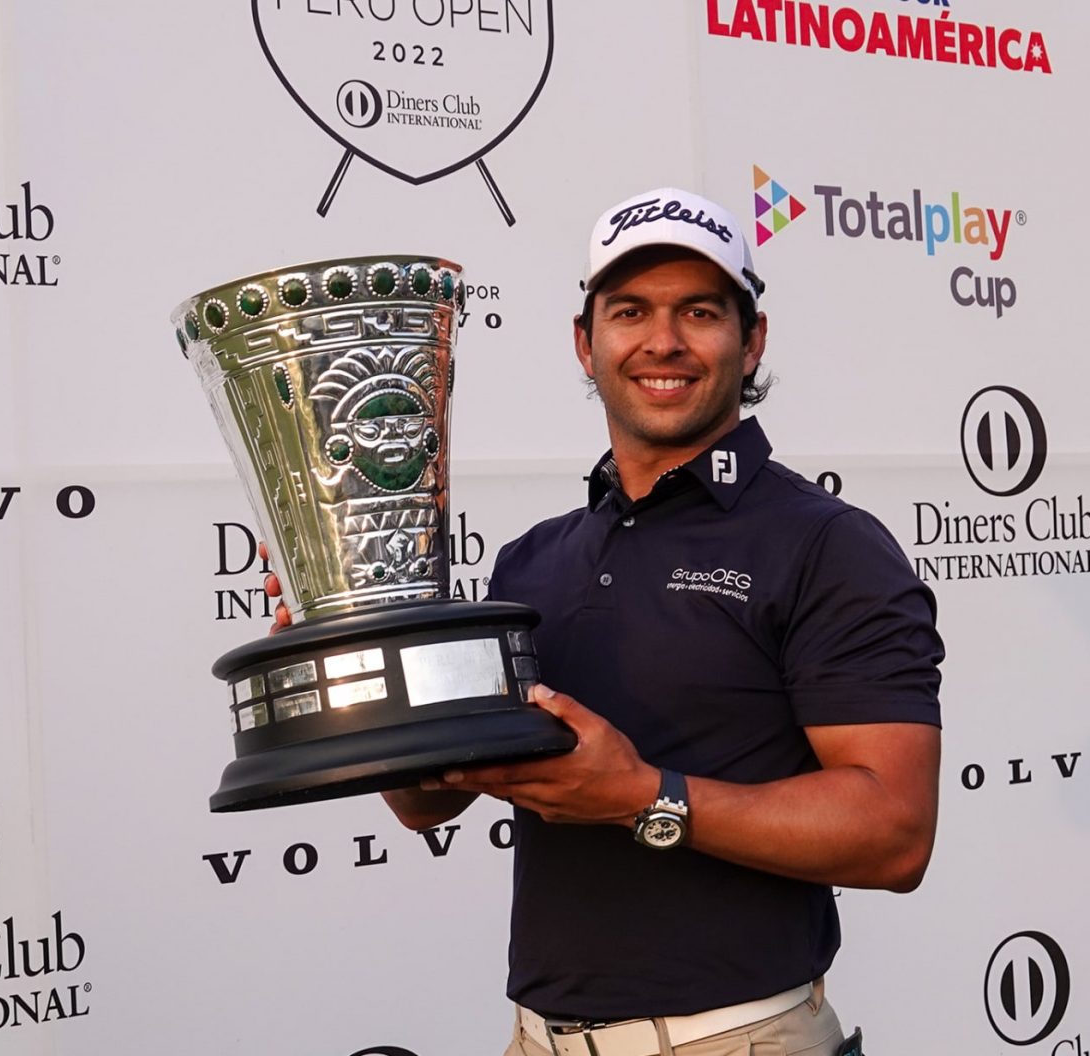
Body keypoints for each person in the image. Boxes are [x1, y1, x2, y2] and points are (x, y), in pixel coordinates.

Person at [266, 187, 943, 1056]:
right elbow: (423, 804)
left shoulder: (826, 545)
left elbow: (895, 835)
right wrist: (348, 645)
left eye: (699, 311)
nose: (663, 341)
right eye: (629, 311)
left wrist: (641, 796)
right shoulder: (531, 561)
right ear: (586, 343)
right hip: (537, 1040)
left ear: (752, 338)